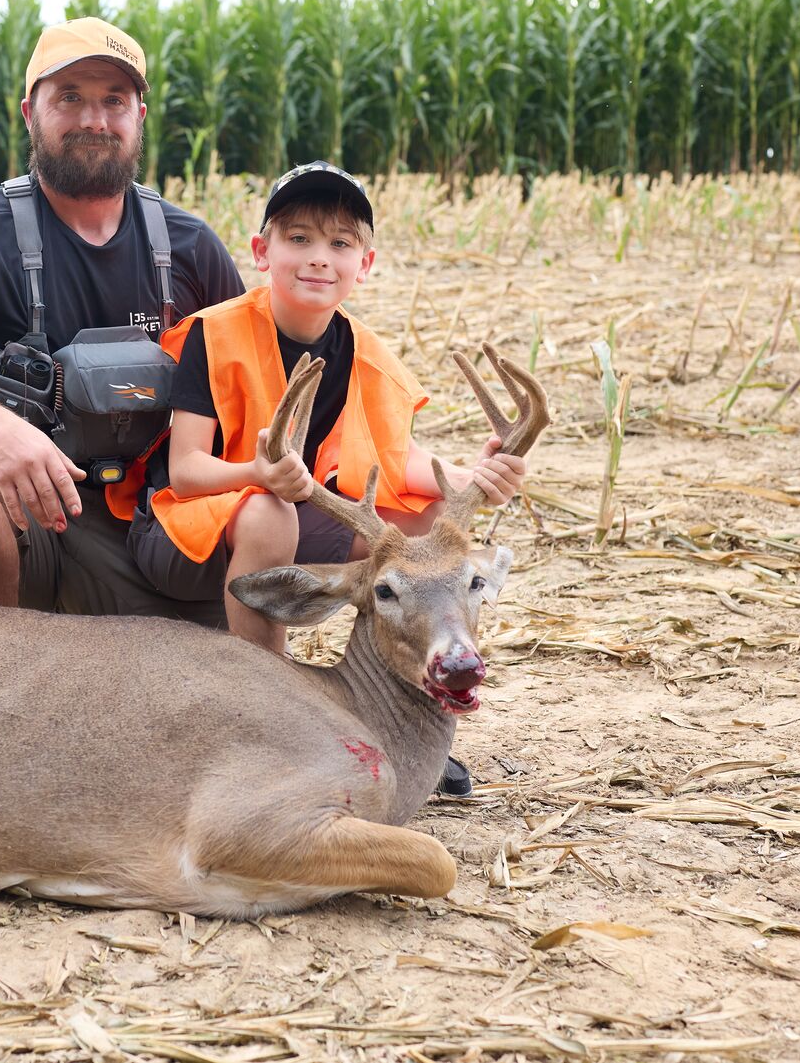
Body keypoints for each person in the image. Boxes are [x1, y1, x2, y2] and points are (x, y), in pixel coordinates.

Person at [123, 161, 528, 796]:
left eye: (340, 243)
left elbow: (397, 461)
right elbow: (186, 469)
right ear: (263, 252)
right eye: (299, 239)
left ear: (365, 264)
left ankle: (404, 714)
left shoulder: (363, 350)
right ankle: (270, 715)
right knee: (268, 511)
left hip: (276, 531)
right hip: (179, 532)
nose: (319, 258)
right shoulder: (215, 333)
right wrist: (257, 472)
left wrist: (474, 475)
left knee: (424, 525)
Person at [0, 17, 244, 620]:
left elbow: (252, 390)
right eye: (69, 97)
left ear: (139, 118)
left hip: (153, 527)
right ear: (30, 112)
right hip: (28, 523)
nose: (94, 120)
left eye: (114, 100)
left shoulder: (190, 246)